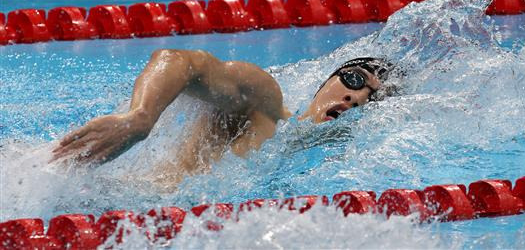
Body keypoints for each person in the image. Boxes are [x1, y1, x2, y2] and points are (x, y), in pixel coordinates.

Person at [51, 49, 395, 184]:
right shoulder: (266, 104)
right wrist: (139, 118)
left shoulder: (332, 171)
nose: (356, 98)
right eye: (354, 80)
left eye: (372, 98)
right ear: (328, 81)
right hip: (102, 191)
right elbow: (183, 62)